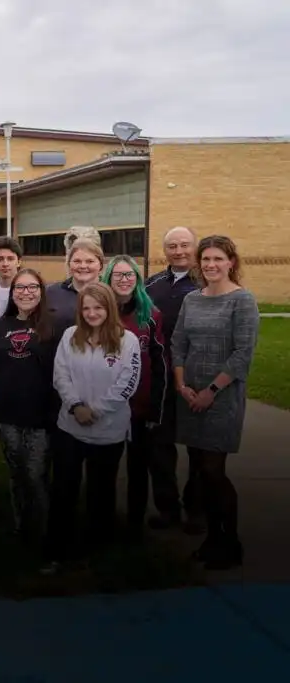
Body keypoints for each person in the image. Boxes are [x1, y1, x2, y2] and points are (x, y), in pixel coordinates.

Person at [172, 235, 259, 570]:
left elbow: (242, 355)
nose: (211, 265)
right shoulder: (192, 300)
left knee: (213, 470)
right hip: (190, 396)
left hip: (220, 398)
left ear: (231, 262)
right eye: (205, 259)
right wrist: (182, 385)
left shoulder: (243, 301)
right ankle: (212, 539)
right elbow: (178, 343)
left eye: (218, 259)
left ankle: (230, 542)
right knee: (199, 469)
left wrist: (210, 391)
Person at [44, 282, 141, 575]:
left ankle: (97, 555)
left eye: (98, 307)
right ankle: (58, 553)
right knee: (63, 491)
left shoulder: (128, 341)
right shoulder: (70, 336)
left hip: (108, 430)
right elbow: (60, 374)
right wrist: (76, 406)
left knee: (101, 494)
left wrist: (96, 410)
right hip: (70, 427)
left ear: (109, 308)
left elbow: (127, 383)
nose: (91, 313)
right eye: (86, 308)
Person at [0, 268, 57, 541]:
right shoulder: (2, 326)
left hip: (41, 416)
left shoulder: (53, 326)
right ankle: (21, 526)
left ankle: (44, 532)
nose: (26, 293)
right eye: (20, 288)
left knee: (36, 474)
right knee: (16, 473)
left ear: (41, 292)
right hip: (8, 414)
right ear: (12, 293)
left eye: (32, 287)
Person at [103, 255, 167, 538]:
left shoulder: (150, 315)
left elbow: (160, 362)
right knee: (106, 466)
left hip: (139, 407)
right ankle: (103, 520)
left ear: (138, 280)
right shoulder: (100, 312)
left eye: (130, 275)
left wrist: (156, 408)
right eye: (118, 275)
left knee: (138, 468)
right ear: (108, 279)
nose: (124, 280)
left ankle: (134, 524)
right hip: (106, 405)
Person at [145, 226, 203, 532]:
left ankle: (197, 510)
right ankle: (168, 509)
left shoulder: (207, 283)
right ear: (164, 250)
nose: (178, 251)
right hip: (161, 377)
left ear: (194, 246)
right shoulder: (152, 284)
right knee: (160, 445)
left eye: (184, 245)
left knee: (198, 447)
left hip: (196, 378)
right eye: (172, 246)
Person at [45, 234, 105, 339]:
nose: (83, 266)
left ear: (100, 265)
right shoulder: (50, 292)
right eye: (77, 261)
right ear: (69, 264)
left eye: (90, 261)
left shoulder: (111, 293)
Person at [0, 236, 22, 323]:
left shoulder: (28, 291)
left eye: (10, 259)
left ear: (19, 262)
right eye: (0, 259)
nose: (5, 264)